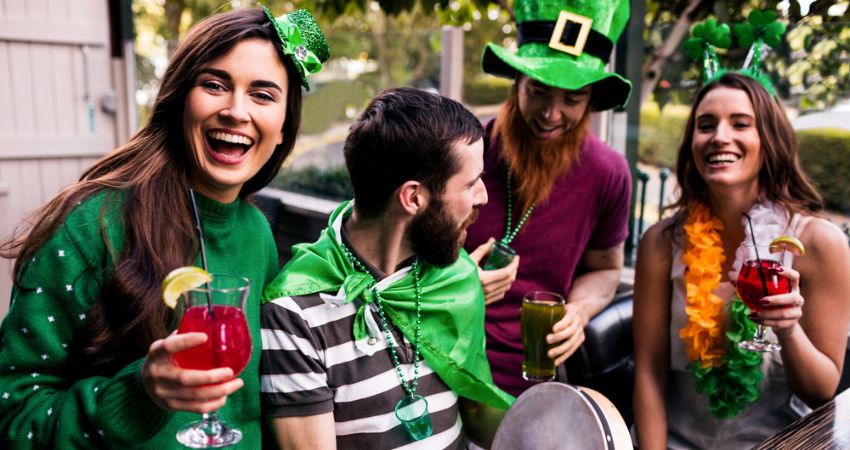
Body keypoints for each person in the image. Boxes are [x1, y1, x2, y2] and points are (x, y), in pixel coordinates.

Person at [0, 7, 328, 448]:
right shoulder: (92, 224)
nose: (235, 111)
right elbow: (13, 417)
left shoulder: (257, 232)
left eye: (263, 95)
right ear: (179, 99)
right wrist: (138, 395)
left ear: (285, 126)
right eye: (214, 85)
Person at [259, 88, 514, 449]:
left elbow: (476, 415)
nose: (483, 197)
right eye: (471, 183)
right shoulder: (293, 314)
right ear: (412, 197)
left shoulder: (454, 279)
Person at [633, 72, 850, 449]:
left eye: (740, 124)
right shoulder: (661, 242)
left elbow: (822, 392)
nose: (719, 136)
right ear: (692, 144)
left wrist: (787, 329)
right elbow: (649, 374)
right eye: (706, 125)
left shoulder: (816, 243)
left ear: (768, 140)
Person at [463, 0, 633, 396]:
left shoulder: (609, 173)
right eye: (539, 91)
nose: (552, 114)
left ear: (591, 100)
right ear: (516, 83)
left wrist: (579, 310)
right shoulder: (462, 151)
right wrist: (458, 280)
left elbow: (606, 269)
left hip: (533, 382)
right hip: (438, 362)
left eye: (573, 99)